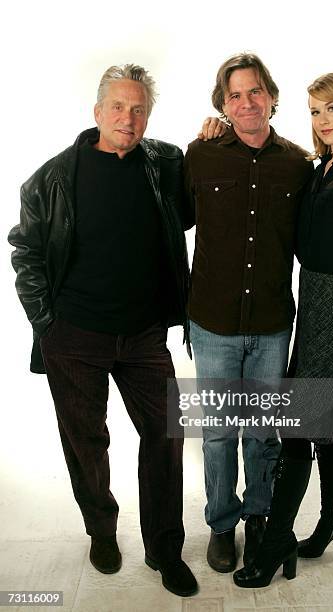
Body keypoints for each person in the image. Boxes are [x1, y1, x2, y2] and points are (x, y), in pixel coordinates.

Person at [8, 64, 198, 598]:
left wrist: (213, 135)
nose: (128, 118)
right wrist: (46, 323)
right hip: (75, 337)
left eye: (138, 108)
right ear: (97, 112)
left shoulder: (164, 164)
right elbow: (24, 249)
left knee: (165, 434)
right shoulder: (51, 178)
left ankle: (164, 550)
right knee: (87, 445)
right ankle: (102, 531)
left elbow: (192, 207)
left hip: (143, 337)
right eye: (118, 106)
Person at [232, 72, 333, 588]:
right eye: (313, 111)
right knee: (325, 419)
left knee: (299, 429)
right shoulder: (319, 169)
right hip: (310, 300)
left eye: (331, 109)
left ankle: (278, 536)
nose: (322, 121)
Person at [184, 53, 314, 573]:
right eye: (234, 95)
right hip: (212, 321)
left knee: (262, 431)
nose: (246, 102)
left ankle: (259, 516)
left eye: (255, 91)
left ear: (272, 97)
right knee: (218, 434)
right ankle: (221, 525)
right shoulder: (201, 155)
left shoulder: (297, 165)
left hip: (271, 323)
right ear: (223, 104)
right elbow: (171, 224)